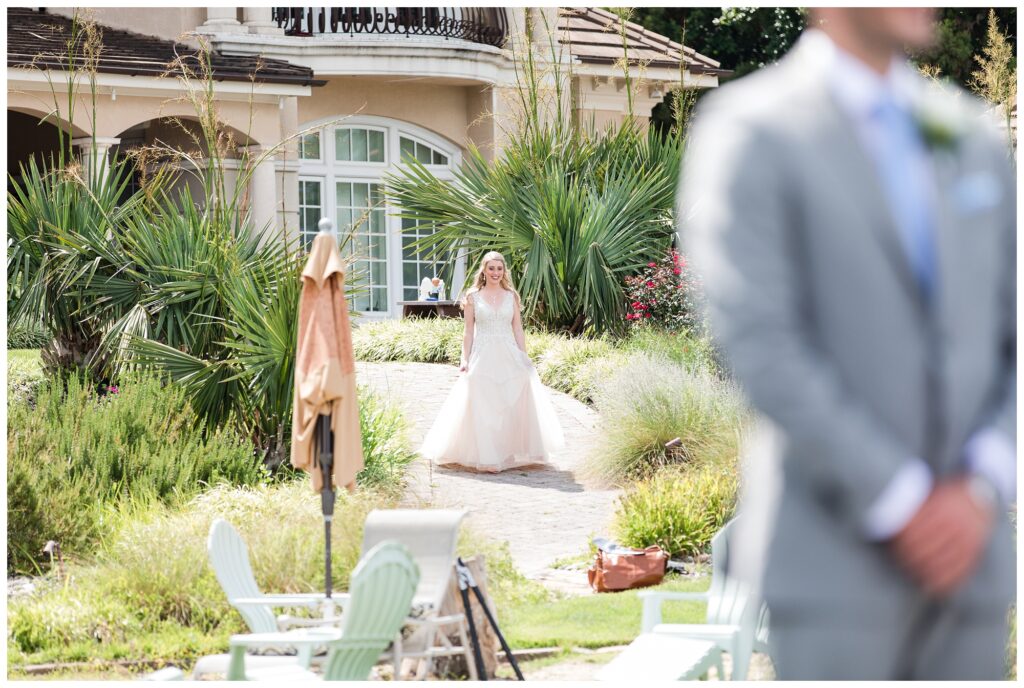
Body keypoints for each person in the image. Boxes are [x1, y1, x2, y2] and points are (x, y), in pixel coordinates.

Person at [681, 8, 1015, 681]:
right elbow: (759, 340)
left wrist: (983, 484)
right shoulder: (753, 130)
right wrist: (901, 499)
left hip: (971, 577)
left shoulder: (973, 136)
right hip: (833, 574)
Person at [420, 251, 564, 472]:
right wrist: (464, 360)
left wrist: (524, 356)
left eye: (499, 268)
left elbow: (517, 328)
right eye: (491, 268)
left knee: (517, 389)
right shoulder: (472, 297)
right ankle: (487, 454)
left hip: (508, 353)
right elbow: (468, 332)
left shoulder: (511, 296)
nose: (496, 273)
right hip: (483, 353)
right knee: (479, 390)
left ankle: (508, 451)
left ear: (504, 271)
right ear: (484, 271)